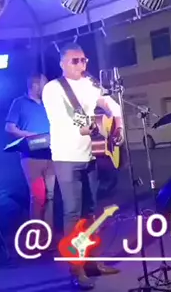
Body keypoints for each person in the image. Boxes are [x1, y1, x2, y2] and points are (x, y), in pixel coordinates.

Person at [41, 42, 123, 290]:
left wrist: (117, 124)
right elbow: (63, 120)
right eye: (74, 61)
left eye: (84, 60)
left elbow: (110, 103)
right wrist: (87, 128)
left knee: (91, 213)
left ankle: (92, 263)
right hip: (66, 157)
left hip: (90, 155)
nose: (81, 64)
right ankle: (76, 269)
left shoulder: (89, 83)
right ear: (62, 64)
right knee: (72, 214)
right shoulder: (53, 88)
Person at [5, 74, 55, 239]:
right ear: (35, 86)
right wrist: (30, 135)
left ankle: (48, 235)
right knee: (38, 196)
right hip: (31, 157)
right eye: (44, 84)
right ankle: (37, 237)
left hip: (50, 154)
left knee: (50, 196)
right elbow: (10, 127)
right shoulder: (19, 103)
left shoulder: (49, 103)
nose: (47, 88)